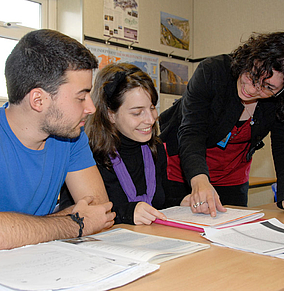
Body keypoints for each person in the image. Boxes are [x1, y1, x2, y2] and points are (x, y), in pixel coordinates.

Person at [0, 29, 116, 254]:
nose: (90, 108)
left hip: (34, 264)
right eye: (81, 97)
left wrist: (8, 228)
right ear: (38, 99)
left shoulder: (72, 136)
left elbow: (99, 212)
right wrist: (74, 223)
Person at [159, 31, 284, 219]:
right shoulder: (213, 72)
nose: (251, 89)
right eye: (253, 75)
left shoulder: (281, 100)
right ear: (249, 60)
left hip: (231, 174)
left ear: (283, 92)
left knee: (232, 231)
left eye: (268, 87)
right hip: (185, 168)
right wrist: (198, 179)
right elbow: (192, 131)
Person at [61, 63, 188, 225]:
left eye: (152, 108)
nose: (150, 119)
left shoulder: (154, 148)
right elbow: (73, 213)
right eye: (137, 112)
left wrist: (182, 203)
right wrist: (125, 214)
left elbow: (160, 203)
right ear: (110, 115)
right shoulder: (87, 154)